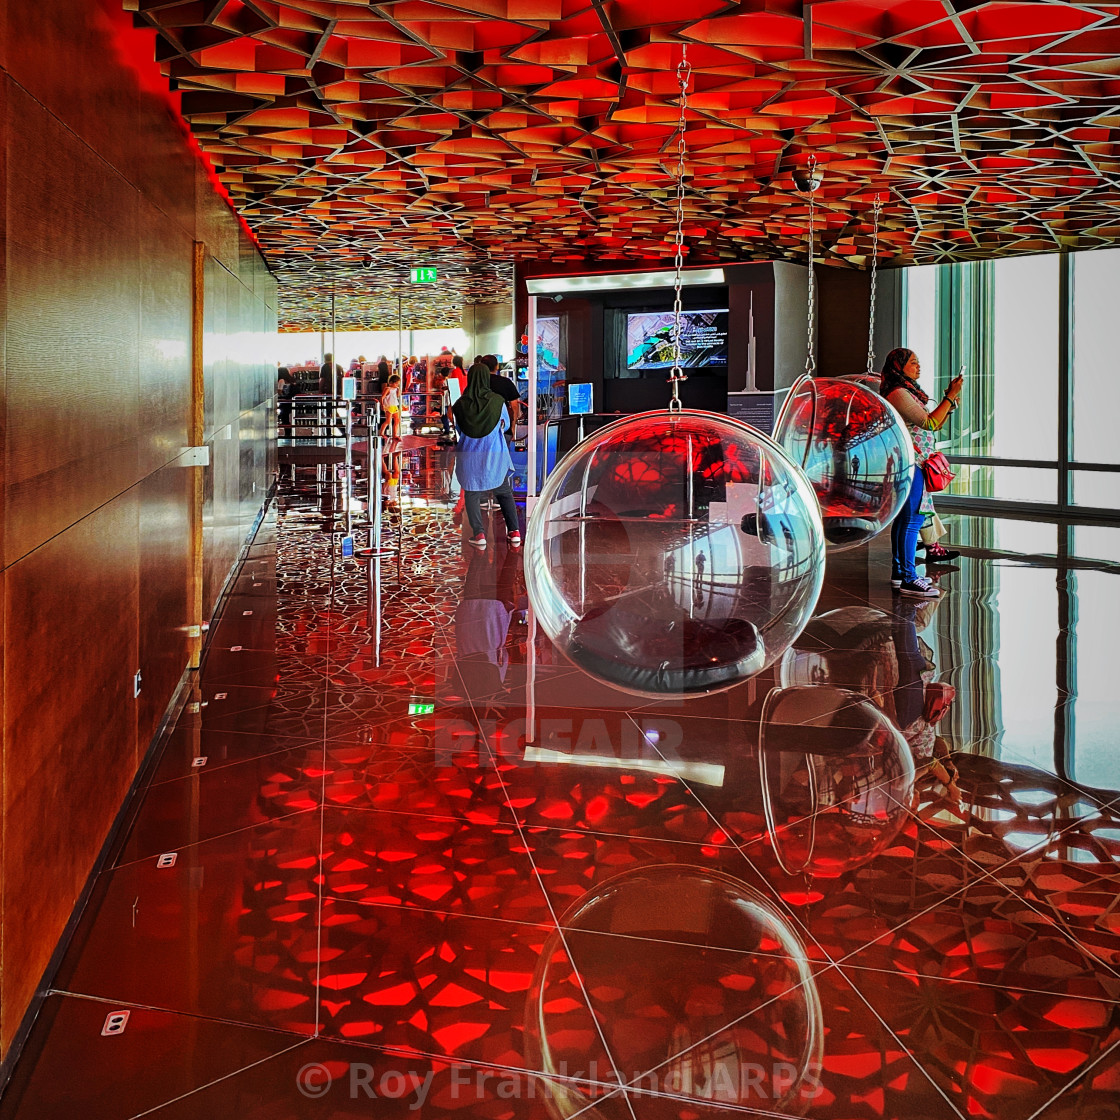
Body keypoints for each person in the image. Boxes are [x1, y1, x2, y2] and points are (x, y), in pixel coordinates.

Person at [880, 347, 963, 599]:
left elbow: (933, 423)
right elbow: (929, 423)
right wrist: (950, 396)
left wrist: (948, 404)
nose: (919, 366)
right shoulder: (897, 393)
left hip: (916, 462)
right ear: (898, 366)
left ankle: (900, 573)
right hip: (910, 463)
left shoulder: (906, 391)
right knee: (912, 520)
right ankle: (908, 578)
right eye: (913, 362)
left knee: (906, 519)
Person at [453, 362, 521, 550]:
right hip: (494, 453)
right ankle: (514, 532)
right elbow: (505, 425)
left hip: (469, 454)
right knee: (504, 492)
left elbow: (459, 429)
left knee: (472, 493)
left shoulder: (460, 404)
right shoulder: (497, 401)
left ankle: (479, 534)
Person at [481, 354, 521, 434]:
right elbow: (514, 406)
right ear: (497, 366)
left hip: (481, 427)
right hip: (503, 427)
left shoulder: (477, 383)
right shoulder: (506, 382)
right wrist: (513, 426)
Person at [379, 373, 402, 440]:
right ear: (392, 382)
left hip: (394, 405)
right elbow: (382, 397)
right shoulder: (387, 389)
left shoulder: (395, 389)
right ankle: (382, 433)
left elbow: (397, 396)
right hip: (389, 406)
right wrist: (382, 404)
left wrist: (398, 390)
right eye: (396, 383)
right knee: (388, 421)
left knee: (397, 420)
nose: (397, 385)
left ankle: (395, 434)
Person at [276, 367, 295, 432]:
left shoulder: (281, 380)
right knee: (287, 416)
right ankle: (288, 431)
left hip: (284, 401)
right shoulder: (291, 380)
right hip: (290, 400)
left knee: (285, 417)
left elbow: (279, 391)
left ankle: (287, 432)